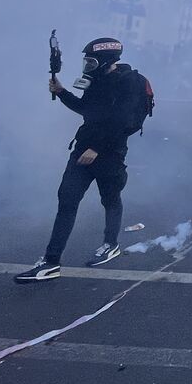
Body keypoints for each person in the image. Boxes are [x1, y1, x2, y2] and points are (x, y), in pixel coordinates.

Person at [16, 37, 152, 283]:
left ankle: (111, 244)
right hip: (83, 149)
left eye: (91, 60)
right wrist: (62, 92)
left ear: (106, 60)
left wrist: (97, 149)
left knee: (110, 199)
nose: (87, 65)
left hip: (110, 154)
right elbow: (86, 111)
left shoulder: (128, 84)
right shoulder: (95, 81)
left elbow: (125, 123)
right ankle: (51, 261)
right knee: (67, 199)